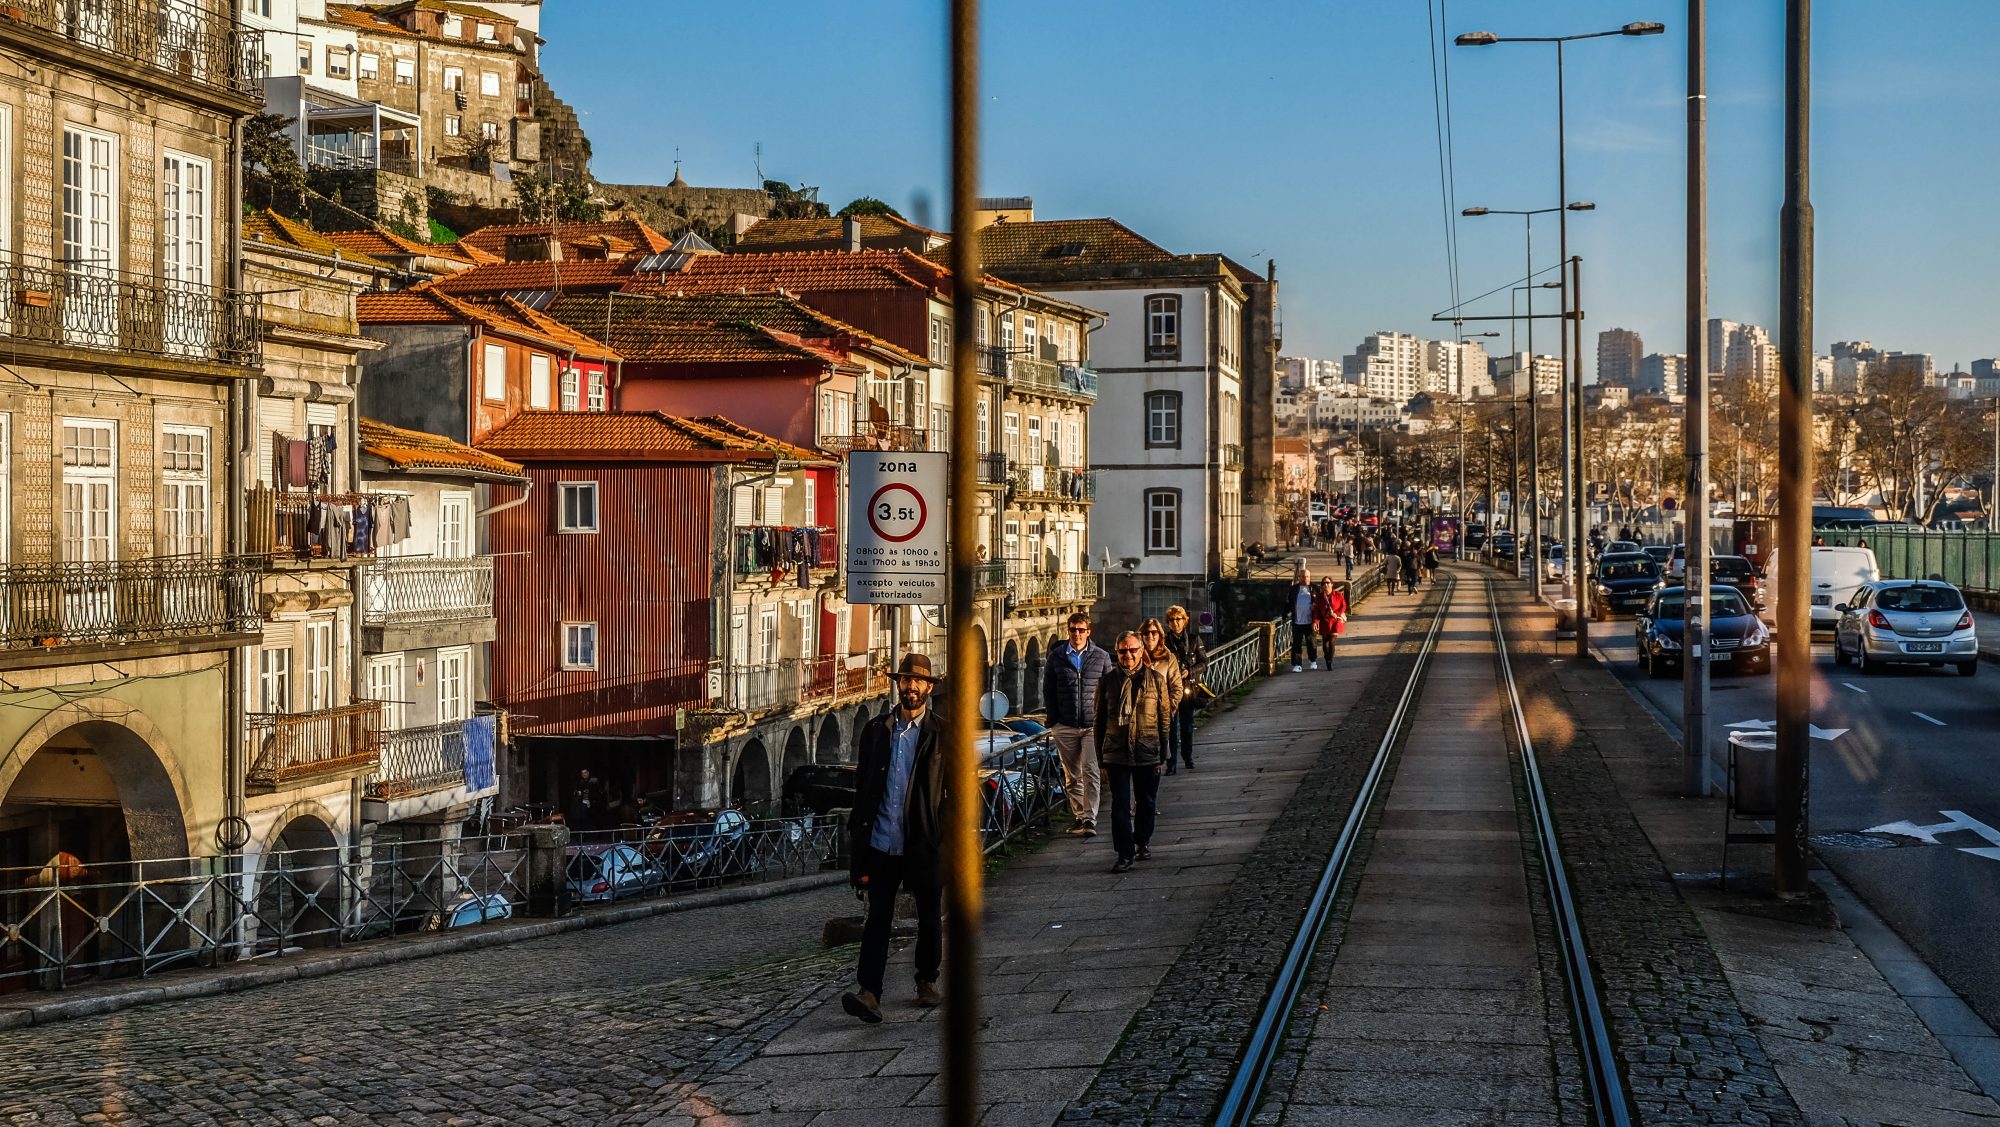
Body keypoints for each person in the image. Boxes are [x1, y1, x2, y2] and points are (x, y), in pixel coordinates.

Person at [841, 653, 950, 1025]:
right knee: (878, 919)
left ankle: (926, 980)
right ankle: (869, 992)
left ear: (929, 687)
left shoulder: (942, 733)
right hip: (882, 840)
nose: (911, 687)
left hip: (924, 841)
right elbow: (863, 791)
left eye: (918, 681)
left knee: (929, 916)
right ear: (898, 684)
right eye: (905, 680)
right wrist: (859, 851)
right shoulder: (877, 730)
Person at [1095, 631, 1175, 874]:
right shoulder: (1107, 682)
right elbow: (1099, 722)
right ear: (1116, 652)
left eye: (1132, 650)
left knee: (1146, 801)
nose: (1127, 655)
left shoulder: (1156, 680)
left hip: (1146, 749)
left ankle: (1142, 840)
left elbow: (1164, 719)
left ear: (1141, 651)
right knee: (1119, 805)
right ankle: (1124, 853)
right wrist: (1100, 759)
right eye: (1122, 651)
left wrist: (1163, 755)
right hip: (1116, 751)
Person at [1043, 612, 1112, 837]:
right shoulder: (1056, 657)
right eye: (1073, 630)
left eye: (1081, 630)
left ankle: (1090, 819)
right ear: (1068, 630)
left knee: (1090, 770)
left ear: (1088, 632)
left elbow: (1110, 690)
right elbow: (1048, 690)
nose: (1077, 634)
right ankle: (1080, 815)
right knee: (1072, 775)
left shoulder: (1101, 656)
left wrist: (1106, 719)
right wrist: (1054, 720)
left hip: (1092, 724)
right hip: (1065, 724)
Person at [1160, 605, 1208, 773]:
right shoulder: (1164, 641)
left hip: (1188, 689)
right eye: (1172, 620)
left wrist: (1190, 671)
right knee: (1171, 729)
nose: (1176, 623)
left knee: (1187, 727)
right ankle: (1171, 763)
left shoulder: (1194, 639)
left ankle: (1188, 757)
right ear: (1168, 623)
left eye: (1179, 619)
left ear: (1185, 621)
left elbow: (1204, 662)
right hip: (1170, 690)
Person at [1139, 618, 1186, 767]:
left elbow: (1176, 685)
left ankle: (1171, 765)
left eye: (1154, 632)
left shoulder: (1168, 657)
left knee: (1169, 737)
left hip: (1164, 708)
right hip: (1143, 710)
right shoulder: (1136, 655)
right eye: (1146, 633)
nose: (1150, 636)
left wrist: (1170, 705)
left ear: (1159, 635)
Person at [1289, 568, 1319, 672]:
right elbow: (1288, 602)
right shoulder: (1294, 589)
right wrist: (1284, 614)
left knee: (1311, 642)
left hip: (1310, 621)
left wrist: (1316, 610)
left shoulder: (1315, 588)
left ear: (1310, 577)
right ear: (1299, 578)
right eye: (1303, 576)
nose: (1305, 578)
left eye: (1307, 576)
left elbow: (1320, 602)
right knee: (1296, 643)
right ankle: (1297, 664)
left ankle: (1313, 660)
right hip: (1297, 621)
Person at [1314, 577, 1349, 658]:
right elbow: (1317, 610)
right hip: (1324, 622)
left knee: (1331, 641)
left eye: (1327, 583)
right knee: (1325, 644)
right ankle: (1327, 657)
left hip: (1335, 621)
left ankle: (1330, 659)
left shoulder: (1338, 594)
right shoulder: (1319, 597)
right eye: (1323, 583)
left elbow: (1343, 606)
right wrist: (1315, 621)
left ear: (1332, 584)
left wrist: (1337, 613)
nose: (1325, 585)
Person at [568, 768, 608, 832]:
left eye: (585, 773)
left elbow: (600, 792)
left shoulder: (594, 780)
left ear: (588, 773)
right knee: (584, 819)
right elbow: (579, 791)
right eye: (582, 773)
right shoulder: (581, 782)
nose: (584, 774)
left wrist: (596, 798)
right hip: (585, 802)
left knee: (596, 818)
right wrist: (578, 793)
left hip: (594, 802)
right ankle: (585, 833)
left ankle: (599, 832)